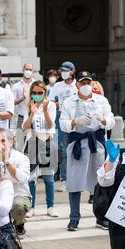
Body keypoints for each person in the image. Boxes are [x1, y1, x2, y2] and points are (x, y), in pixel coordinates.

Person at [60, 71, 115, 231]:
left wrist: (103, 119)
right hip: (76, 144)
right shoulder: (69, 102)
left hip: (96, 144)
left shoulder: (101, 101)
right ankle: (74, 218)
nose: (85, 86)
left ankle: (101, 216)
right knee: (74, 181)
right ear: (77, 85)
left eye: (88, 83)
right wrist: (75, 121)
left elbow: (111, 121)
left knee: (99, 181)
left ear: (92, 84)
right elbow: (62, 123)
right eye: (82, 83)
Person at [22, 81, 57, 219]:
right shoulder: (28, 105)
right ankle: (31, 207)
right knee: (31, 178)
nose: (37, 95)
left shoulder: (51, 105)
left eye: (39, 93)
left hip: (46, 142)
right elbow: (25, 127)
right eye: (34, 93)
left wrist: (45, 110)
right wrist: (32, 112)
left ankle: (50, 206)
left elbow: (50, 125)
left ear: (45, 92)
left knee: (49, 177)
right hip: (31, 143)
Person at [0, 128, 31, 237]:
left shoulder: (22, 158)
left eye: (3, 141)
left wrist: (6, 161)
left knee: (18, 207)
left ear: (11, 142)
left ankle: (19, 223)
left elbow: (22, 178)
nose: (0, 144)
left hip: (18, 194)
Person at [48, 61, 78, 192]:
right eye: (62, 71)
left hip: (77, 119)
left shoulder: (78, 85)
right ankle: (64, 179)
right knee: (65, 150)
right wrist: (58, 105)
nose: (64, 73)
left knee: (78, 150)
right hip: (62, 119)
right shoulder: (57, 86)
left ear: (72, 71)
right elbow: (49, 102)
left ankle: (77, 178)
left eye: (67, 70)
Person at [12, 63, 36, 131]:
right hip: (21, 117)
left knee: (35, 140)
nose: (28, 71)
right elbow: (12, 102)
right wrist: (22, 98)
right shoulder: (16, 86)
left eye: (30, 69)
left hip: (35, 116)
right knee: (20, 139)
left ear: (33, 71)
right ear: (23, 70)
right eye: (27, 69)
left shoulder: (37, 84)